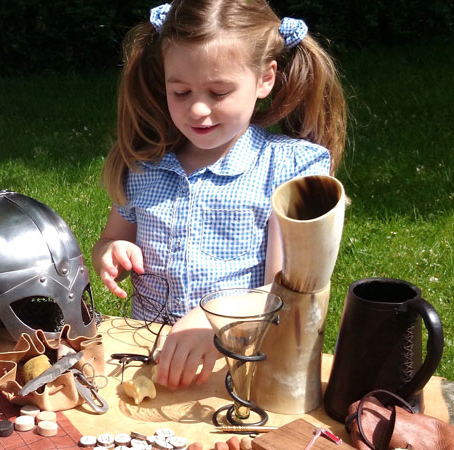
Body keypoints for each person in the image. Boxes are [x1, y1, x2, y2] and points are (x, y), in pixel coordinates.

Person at [92, 0, 346, 390]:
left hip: (240, 368)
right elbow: (112, 237)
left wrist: (216, 318)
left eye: (218, 91)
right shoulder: (144, 167)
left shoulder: (285, 170)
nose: (197, 108)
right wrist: (111, 252)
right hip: (148, 360)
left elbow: (291, 291)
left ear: (265, 78)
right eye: (180, 91)